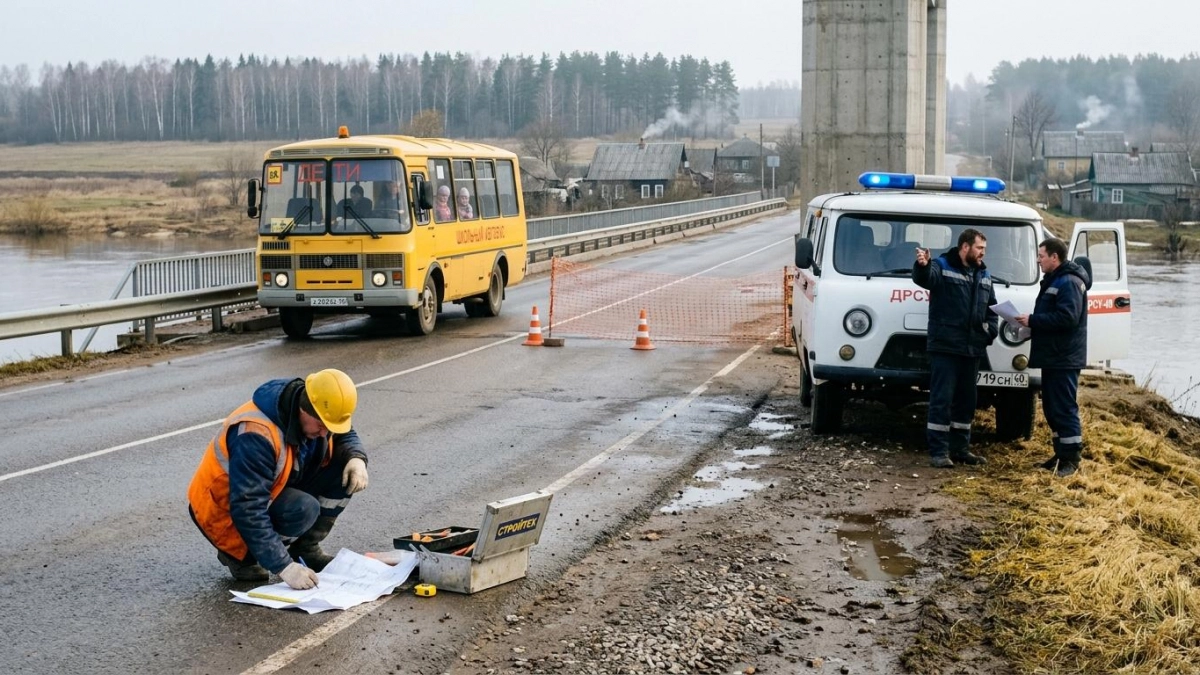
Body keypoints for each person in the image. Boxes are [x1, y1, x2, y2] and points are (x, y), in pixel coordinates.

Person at [188, 369, 369, 588]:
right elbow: (248, 508)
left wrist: (356, 457)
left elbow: (342, 432)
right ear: (304, 409)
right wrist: (284, 567)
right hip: (224, 510)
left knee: (345, 467)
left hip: (272, 488)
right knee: (303, 508)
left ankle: (304, 549)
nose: (324, 433)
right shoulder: (256, 435)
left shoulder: (316, 412)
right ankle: (244, 556)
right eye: (321, 426)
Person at [913, 228, 998, 468]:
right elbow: (925, 279)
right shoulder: (941, 266)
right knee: (942, 400)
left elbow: (992, 309)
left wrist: (989, 332)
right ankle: (939, 452)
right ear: (965, 247)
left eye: (984, 249)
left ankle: (961, 449)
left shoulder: (984, 274)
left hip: (972, 350)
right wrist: (923, 265)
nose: (982, 253)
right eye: (979, 248)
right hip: (946, 349)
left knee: (966, 402)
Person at [1015, 238, 1090, 477]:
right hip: (1053, 356)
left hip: (1063, 357)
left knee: (1064, 407)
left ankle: (1071, 459)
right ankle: (1061, 453)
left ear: (1054, 257)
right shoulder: (1056, 280)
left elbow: (1067, 318)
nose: (1038, 260)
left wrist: (1033, 321)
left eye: (1041, 255)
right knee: (1052, 407)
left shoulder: (1068, 282)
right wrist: (1031, 329)